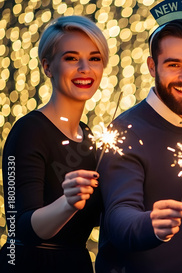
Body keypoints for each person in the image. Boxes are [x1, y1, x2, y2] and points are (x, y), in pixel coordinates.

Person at [95, 0, 182, 272]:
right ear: (152, 66)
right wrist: (150, 224)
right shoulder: (125, 131)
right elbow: (118, 216)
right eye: (173, 65)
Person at [0, 16, 108, 272]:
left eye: (94, 58)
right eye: (71, 58)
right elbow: (19, 227)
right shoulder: (28, 131)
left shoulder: (91, 138)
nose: (85, 68)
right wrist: (67, 203)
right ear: (47, 67)